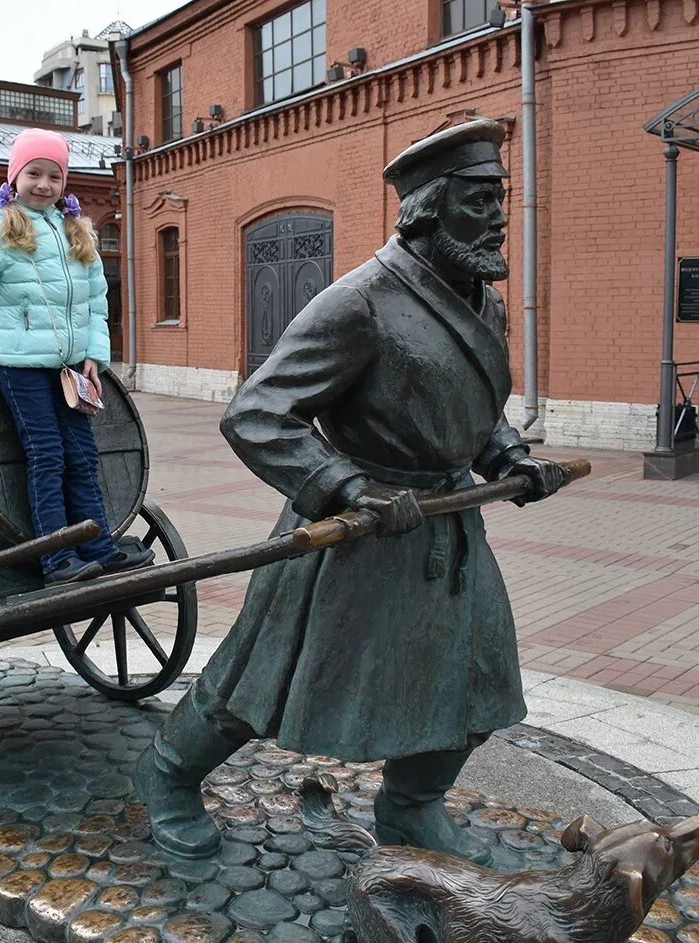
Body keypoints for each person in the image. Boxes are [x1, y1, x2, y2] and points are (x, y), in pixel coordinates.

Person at [134, 117, 570, 861]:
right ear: (429, 208)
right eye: (478, 200)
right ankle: (169, 774)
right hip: (354, 532)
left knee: (481, 676)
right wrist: (342, 485)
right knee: (259, 679)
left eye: (501, 198)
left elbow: (473, 398)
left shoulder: (481, 299)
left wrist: (508, 456)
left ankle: (410, 805)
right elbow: (257, 411)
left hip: (444, 527)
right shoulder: (359, 301)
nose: (499, 218)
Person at [0, 128, 153, 584]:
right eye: (34, 173)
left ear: (63, 182)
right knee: (47, 454)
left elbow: (95, 299)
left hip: (70, 368)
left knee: (82, 455)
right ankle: (56, 558)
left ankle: (99, 547)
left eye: (54, 176)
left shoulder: (75, 230)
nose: (44, 184)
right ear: (16, 176)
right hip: (20, 366)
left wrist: (95, 352)